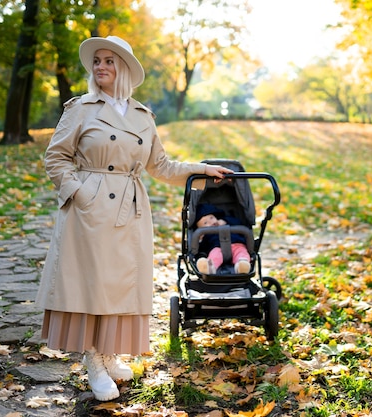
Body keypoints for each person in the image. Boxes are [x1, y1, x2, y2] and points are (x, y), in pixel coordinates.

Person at [34, 35, 232, 402]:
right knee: (92, 284)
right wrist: (79, 193)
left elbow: (162, 166)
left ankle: (108, 353)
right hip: (89, 210)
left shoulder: (142, 116)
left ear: (123, 68)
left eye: (109, 60)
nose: (100, 66)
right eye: (97, 61)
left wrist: (203, 170)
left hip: (130, 207)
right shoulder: (81, 108)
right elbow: (55, 157)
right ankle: (93, 359)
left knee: (117, 284)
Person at [193, 203, 251, 275]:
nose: (211, 222)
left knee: (241, 252)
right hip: (217, 248)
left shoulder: (226, 222)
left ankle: (242, 265)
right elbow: (202, 250)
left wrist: (226, 221)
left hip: (237, 244)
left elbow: (239, 223)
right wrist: (200, 240)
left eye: (211, 218)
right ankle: (210, 267)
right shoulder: (205, 235)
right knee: (214, 256)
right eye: (205, 223)